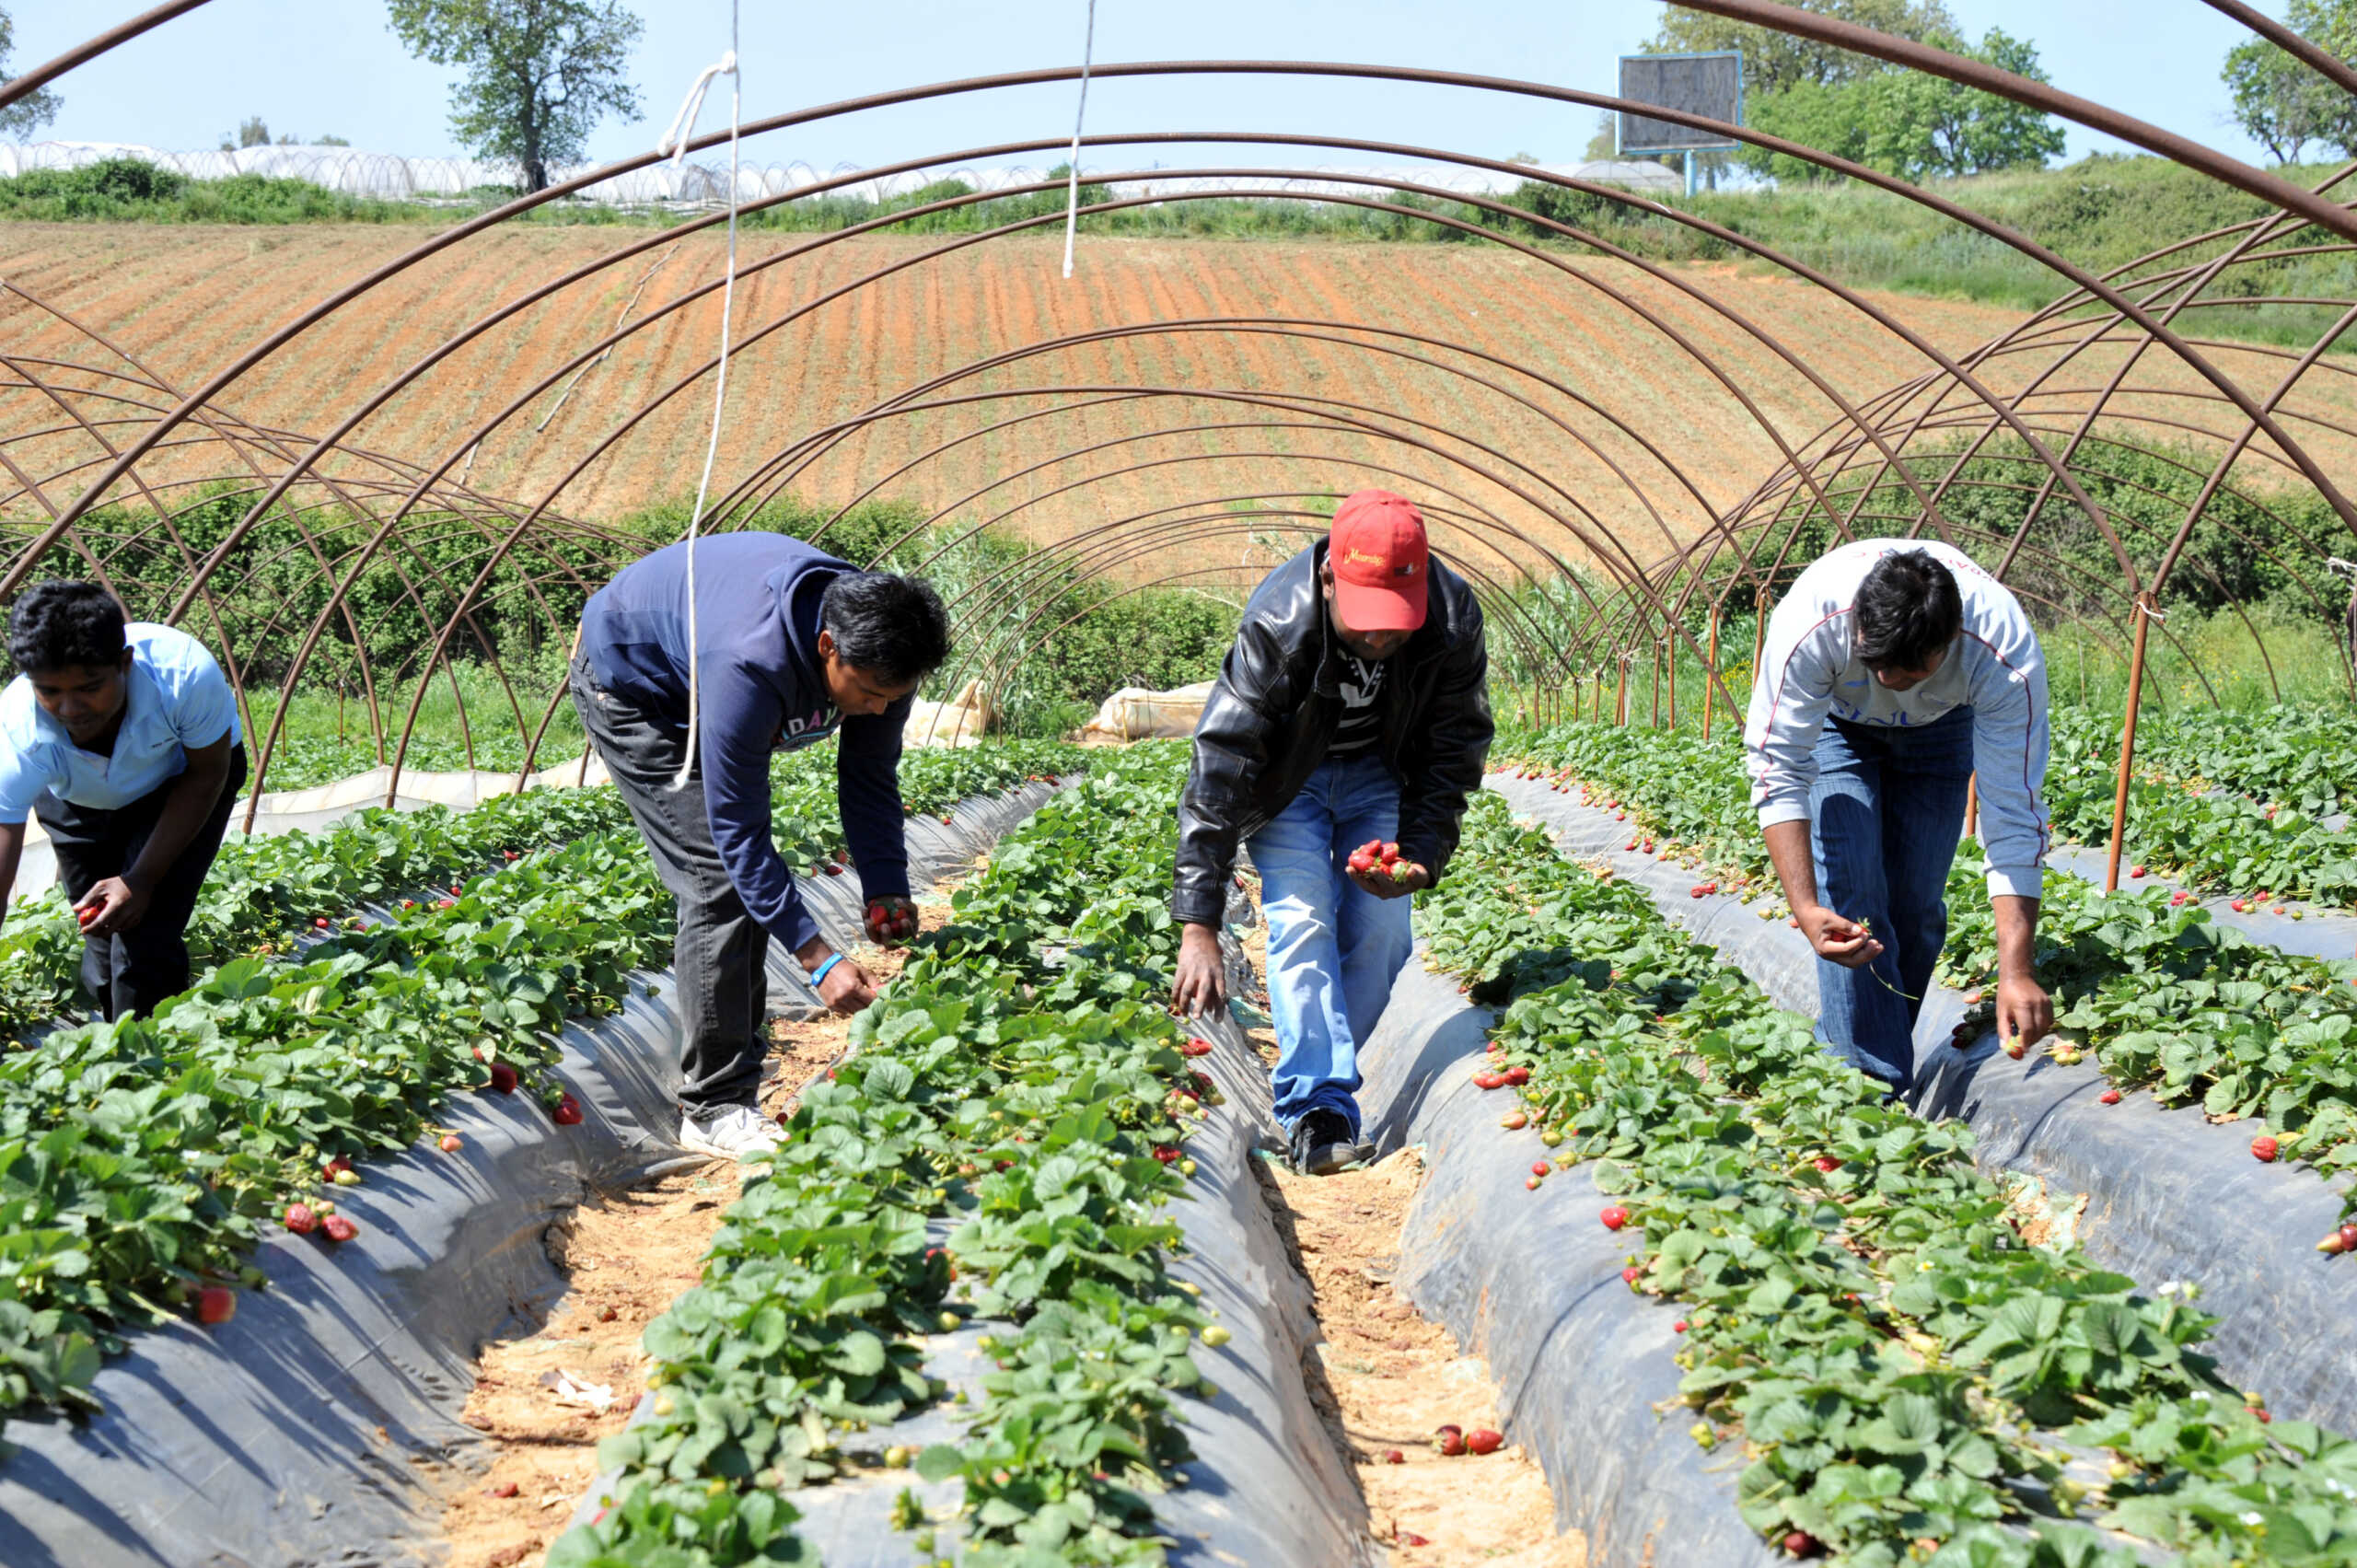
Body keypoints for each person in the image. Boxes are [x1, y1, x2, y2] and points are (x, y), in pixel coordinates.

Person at [571, 533, 951, 1160]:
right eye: (871, 691)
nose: (881, 706)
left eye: (895, 693)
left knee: (740, 880)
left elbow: (870, 776)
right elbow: (737, 832)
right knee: (716, 876)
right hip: (636, 689)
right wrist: (819, 957)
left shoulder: (882, 645)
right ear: (827, 647)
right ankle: (715, 1104)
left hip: (701, 666)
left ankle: (737, 1065)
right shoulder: (748, 660)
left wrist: (887, 884)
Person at [1171, 490, 1492, 1175]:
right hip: (1291, 782)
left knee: (1382, 935)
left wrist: (1423, 855)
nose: (1382, 638)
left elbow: (1454, 745)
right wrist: (1197, 921)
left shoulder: (1454, 618)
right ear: (1328, 578)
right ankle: (1318, 1108)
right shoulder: (1279, 623)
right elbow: (1221, 763)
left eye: (1396, 622)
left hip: (1381, 775)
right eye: (1368, 619)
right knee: (1302, 919)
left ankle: (1321, 1062)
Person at [1744, 540, 2055, 1096]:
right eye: (1877, 662)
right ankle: (1868, 1090)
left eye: (1910, 670)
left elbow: (2013, 814)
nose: (1889, 681)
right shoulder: (1813, 621)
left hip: (1943, 732)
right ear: (1858, 628)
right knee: (1853, 897)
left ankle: (1869, 1065)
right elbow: (1778, 765)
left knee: (1915, 910)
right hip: (1839, 732)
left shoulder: (2000, 651)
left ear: (1951, 640)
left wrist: (2017, 972)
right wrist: (1806, 907)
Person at [0, 581, 247, 1020]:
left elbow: (208, 772)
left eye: (89, 687)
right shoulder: (16, 727)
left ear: (125, 664)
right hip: (76, 798)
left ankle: (154, 1054)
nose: (70, 708)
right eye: (50, 691)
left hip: (182, 783)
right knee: (98, 922)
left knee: (145, 932)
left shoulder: (184, 675)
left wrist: (143, 878)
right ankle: (114, 1041)